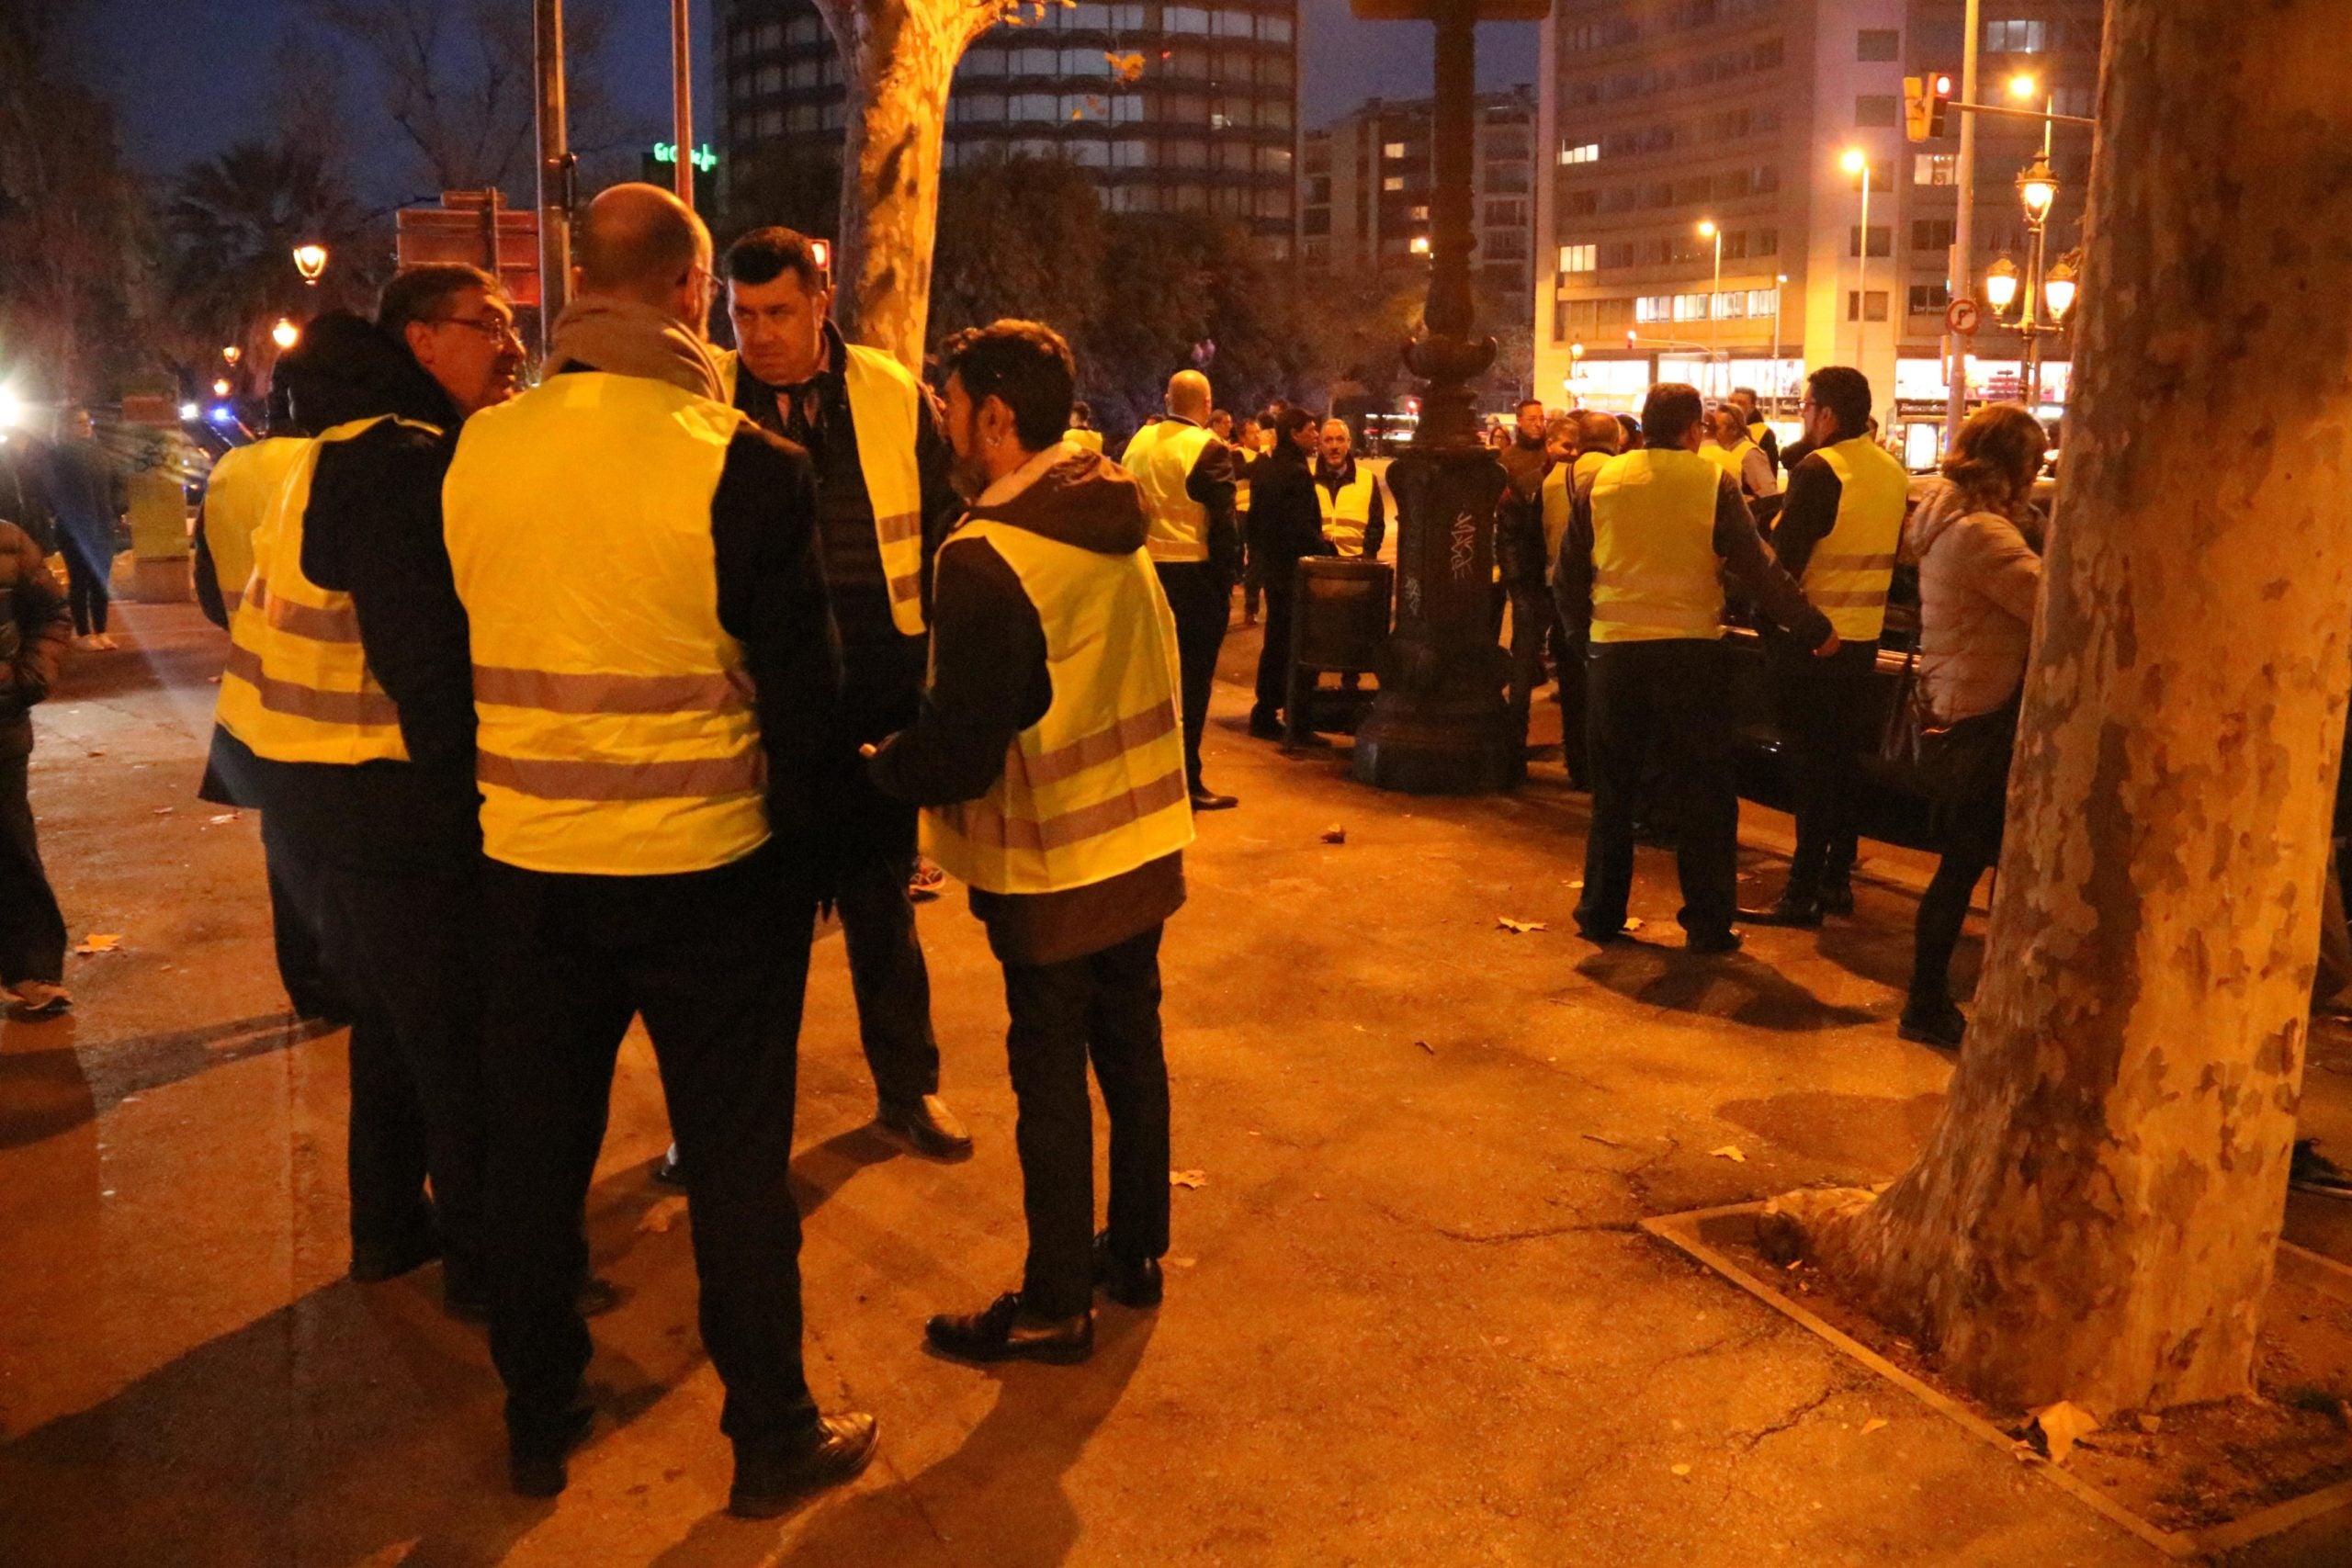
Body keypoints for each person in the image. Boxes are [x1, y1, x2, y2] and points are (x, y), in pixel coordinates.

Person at [436, 185, 872, 1508]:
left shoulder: (478, 454)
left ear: (575, 285)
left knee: (535, 1158)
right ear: (693, 291)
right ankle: (771, 1433)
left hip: (527, 871)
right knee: (737, 1168)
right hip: (709, 875)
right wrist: (822, 869)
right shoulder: (742, 461)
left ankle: (538, 1412)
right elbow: (807, 711)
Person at [201, 265, 527, 1314]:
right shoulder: (398, 461)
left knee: (392, 1020)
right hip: (381, 794)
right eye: (492, 325)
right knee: (461, 1044)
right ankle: (493, 1273)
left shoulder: (344, 444)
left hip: (313, 787)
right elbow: (423, 666)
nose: (513, 346)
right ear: (423, 341)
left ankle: (389, 1227)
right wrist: (481, 798)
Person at [868, 318, 1186, 1364]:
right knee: (1131, 1046)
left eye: (951, 405)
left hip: (1052, 861)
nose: (943, 423)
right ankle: (1134, 1251)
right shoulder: (1109, 511)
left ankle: (1054, 1302)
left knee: (1046, 1075)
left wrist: (879, 768)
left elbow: (964, 744)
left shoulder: (989, 555)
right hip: (1141, 839)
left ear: (994, 420)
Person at [715, 225, 972, 1161]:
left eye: (779, 311)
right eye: (742, 315)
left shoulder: (884, 388)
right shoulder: (706, 391)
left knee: (879, 908)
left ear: (822, 301)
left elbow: (941, 516)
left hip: (872, 681)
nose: (760, 334)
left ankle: (910, 1090)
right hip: (752, 690)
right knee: (752, 930)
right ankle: (729, 1126)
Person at [1556, 383, 1838, 953]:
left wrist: (1585, 642)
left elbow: (1567, 578)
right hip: (1690, 658)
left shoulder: (1600, 482)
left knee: (1614, 792)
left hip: (1615, 655)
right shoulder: (1712, 481)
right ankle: (1708, 923)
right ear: (1692, 431)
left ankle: (1600, 911)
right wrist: (1813, 628)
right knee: (1705, 794)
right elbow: (1759, 569)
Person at [1741, 367, 1910, 927]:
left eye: (1805, 405)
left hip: (1811, 640)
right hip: (1863, 639)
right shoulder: (1889, 469)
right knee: (1842, 765)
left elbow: (1781, 566)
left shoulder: (1821, 469)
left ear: (1828, 414)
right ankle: (1836, 879)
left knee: (1809, 772)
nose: (1802, 414)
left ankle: (1801, 892)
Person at [1899, 403, 2046, 1047]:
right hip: (1987, 715)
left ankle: (1929, 996)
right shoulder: (1984, 536)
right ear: (2013, 466)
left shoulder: (1945, 517)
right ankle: (1927, 1000)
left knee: (1961, 863)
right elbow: (2050, 603)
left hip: (1957, 704)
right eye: (2034, 465)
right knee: (1966, 865)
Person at [1121, 369, 1240, 811]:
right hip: (1193, 583)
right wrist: (1226, 585)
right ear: (1206, 405)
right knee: (1191, 685)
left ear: (1168, 399)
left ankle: (1139, 777)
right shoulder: (1208, 449)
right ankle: (1186, 781)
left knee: (1141, 685)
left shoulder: (1138, 442)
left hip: (1138, 576)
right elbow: (1225, 529)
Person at [0, 517, 73, 1016]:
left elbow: (51, 612)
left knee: (10, 844)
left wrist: (27, 678)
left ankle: (32, 969)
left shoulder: (7, 541)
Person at [1246, 406, 1332, 740]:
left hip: (1273, 567)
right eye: (1311, 429)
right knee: (1296, 642)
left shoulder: (1267, 467)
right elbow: (1298, 526)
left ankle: (1265, 709)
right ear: (1294, 434)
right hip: (1294, 569)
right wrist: (1323, 548)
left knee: (1277, 639)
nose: (1316, 435)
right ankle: (1293, 715)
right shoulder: (1294, 472)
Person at [34, 408, 125, 650]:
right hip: (75, 529)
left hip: (102, 526)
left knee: (100, 582)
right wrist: (62, 512)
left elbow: (118, 484)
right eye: (80, 422)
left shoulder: (100, 454)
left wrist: (115, 510)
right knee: (80, 581)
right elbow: (48, 488)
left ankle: (101, 630)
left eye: (88, 421)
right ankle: (84, 633)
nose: (86, 426)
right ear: (66, 426)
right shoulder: (58, 455)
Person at [1497, 397, 1556, 759]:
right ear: (1518, 423)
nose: (1538, 423)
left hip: (1551, 568)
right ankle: (1515, 730)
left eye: (1542, 418)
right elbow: (1506, 528)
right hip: (1529, 572)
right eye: (1532, 418)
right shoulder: (1509, 463)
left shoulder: (1554, 459)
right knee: (1524, 647)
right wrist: (1513, 578)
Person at [1311, 418, 1385, 558]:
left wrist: (1367, 555)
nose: (1334, 446)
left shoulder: (1367, 479)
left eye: (1340, 439)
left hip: (1356, 563)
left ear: (1348, 443)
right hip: (1318, 563)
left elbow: (1376, 525)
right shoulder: (1308, 479)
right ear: (1320, 445)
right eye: (1328, 440)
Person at [1702, 406, 1780, 509]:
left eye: (1717, 428)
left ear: (1734, 430)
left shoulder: (1750, 454)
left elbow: (1769, 496)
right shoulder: (1723, 451)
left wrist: (1742, 501)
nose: (1713, 433)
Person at [1728, 387, 1781, 473]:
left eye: (1741, 403)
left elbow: (1770, 470)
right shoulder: (1719, 429)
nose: (1734, 406)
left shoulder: (1763, 433)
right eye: (1731, 401)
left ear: (1751, 408)